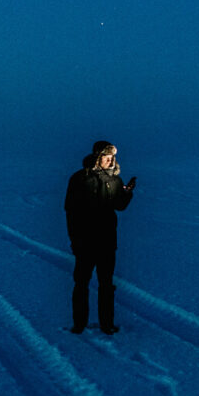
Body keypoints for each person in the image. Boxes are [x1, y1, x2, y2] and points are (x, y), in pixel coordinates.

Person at [64, 141, 137, 334]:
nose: (110, 160)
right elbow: (71, 211)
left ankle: (107, 324)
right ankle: (79, 324)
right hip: (85, 242)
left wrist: (127, 193)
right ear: (98, 157)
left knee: (106, 285)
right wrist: (75, 240)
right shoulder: (80, 179)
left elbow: (119, 206)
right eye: (106, 157)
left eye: (112, 158)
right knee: (81, 283)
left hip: (107, 241)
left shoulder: (115, 180)